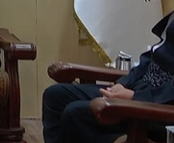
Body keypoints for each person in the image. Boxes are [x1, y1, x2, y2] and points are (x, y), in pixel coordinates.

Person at [42, 12, 174, 142]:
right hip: (140, 86)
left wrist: (135, 97)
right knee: (55, 96)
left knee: (75, 113)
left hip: (160, 106)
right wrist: (123, 83)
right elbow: (152, 56)